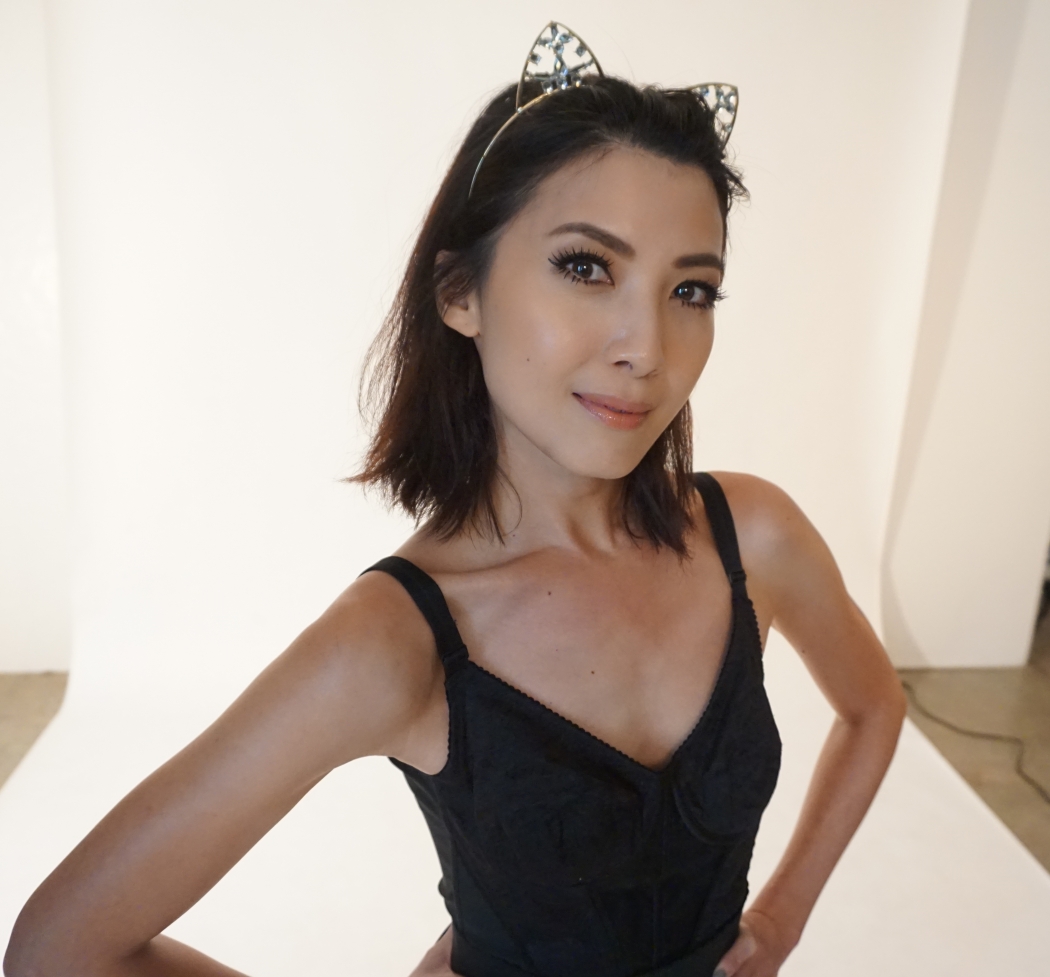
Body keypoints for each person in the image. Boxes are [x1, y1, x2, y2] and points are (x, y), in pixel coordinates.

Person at [4, 22, 906, 977]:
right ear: (458, 291)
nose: (647, 347)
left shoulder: (751, 537)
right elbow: (59, 949)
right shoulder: (397, 640)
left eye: (692, 290)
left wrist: (782, 920)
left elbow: (874, 707)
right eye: (586, 266)